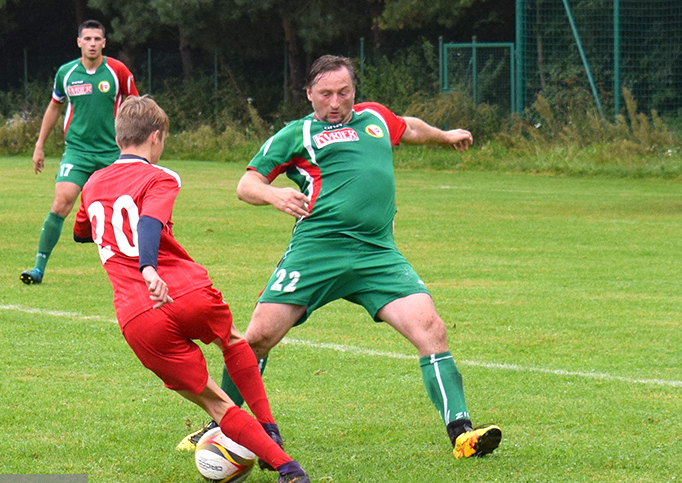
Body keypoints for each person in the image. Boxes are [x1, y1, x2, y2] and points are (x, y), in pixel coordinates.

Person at [185, 55, 501, 460]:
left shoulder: (375, 118)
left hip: (377, 253)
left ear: (355, 91)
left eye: (344, 92)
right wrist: (274, 194)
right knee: (258, 338)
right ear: (309, 94)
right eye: (325, 94)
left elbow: (410, 128)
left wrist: (444, 135)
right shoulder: (296, 134)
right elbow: (246, 184)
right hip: (317, 251)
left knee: (431, 329)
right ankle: (218, 427)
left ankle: (462, 434)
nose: (335, 102)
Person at [72, 95, 310, 483]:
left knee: (216, 406)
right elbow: (148, 221)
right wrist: (149, 266)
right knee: (233, 340)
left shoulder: (93, 183)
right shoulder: (161, 176)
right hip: (182, 289)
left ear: (118, 137)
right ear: (156, 137)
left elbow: (81, 232)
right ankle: (269, 429)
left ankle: (286, 467)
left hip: (137, 315)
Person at [20, 19, 138, 285]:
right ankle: (38, 268)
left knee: (124, 209)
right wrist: (39, 145)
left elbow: (135, 108)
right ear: (79, 42)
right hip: (77, 152)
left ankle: (136, 270)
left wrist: (138, 148)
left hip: (113, 153)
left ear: (104, 43)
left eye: (97, 39)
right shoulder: (66, 73)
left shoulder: (117, 71)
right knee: (61, 201)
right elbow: (54, 107)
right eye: (88, 39)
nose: (92, 44)